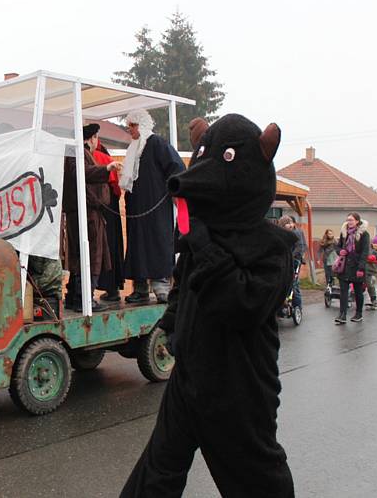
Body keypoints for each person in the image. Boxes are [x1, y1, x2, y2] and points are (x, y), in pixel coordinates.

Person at [121, 114, 295, 498]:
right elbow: (186, 288)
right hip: (189, 379)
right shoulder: (203, 236)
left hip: (240, 391)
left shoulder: (274, 249)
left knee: (258, 482)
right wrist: (170, 325)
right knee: (157, 473)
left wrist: (203, 245)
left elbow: (242, 304)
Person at [119, 109, 185, 304]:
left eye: (132, 125)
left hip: (156, 205)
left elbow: (175, 167)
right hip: (137, 207)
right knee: (137, 245)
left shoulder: (157, 143)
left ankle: (160, 286)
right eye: (129, 126)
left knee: (157, 241)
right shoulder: (133, 148)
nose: (129, 130)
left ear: (142, 125)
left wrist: (175, 190)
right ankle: (139, 288)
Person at [63, 123, 122, 312]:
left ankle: (75, 297)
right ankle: (83, 299)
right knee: (90, 256)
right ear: (91, 138)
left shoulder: (77, 154)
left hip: (85, 213)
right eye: (96, 137)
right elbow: (84, 174)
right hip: (86, 214)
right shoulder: (76, 155)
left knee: (82, 256)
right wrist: (107, 168)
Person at [91, 135, 125, 302]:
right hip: (111, 211)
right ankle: (113, 289)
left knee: (97, 249)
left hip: (96, 210)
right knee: (112, 247)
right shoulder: (107, 159)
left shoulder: (91, 158)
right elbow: (117, 190)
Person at [334, 212, 370, 324]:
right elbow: (337, 246)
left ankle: (358, 313)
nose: (349, 222)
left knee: (358, 291)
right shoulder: (344, 233)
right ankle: (342, 314)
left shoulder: (364, 234)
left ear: (357, 221)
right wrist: (340, 251)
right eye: (348, 220)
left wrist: (361, 268)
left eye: (351, 220)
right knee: (343, 291)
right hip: (345, 266)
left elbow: (365, 252)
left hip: (357, 266)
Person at [278, 216, 303, 311]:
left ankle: (298, 306)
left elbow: (299, 247)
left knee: (293, 284)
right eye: (288, 223)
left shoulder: (296, 233)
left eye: (291, 222)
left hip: (293, 261)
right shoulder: (279, 235)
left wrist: (291, 257)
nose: (290, 225)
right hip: (282, 261)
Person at [365, 236, 377, 310]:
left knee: (371, 285)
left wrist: (372, 257)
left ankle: (374, 300)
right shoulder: (368, 248)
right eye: (374, 243)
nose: (376, 245)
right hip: (364, 269)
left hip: (372, 271)